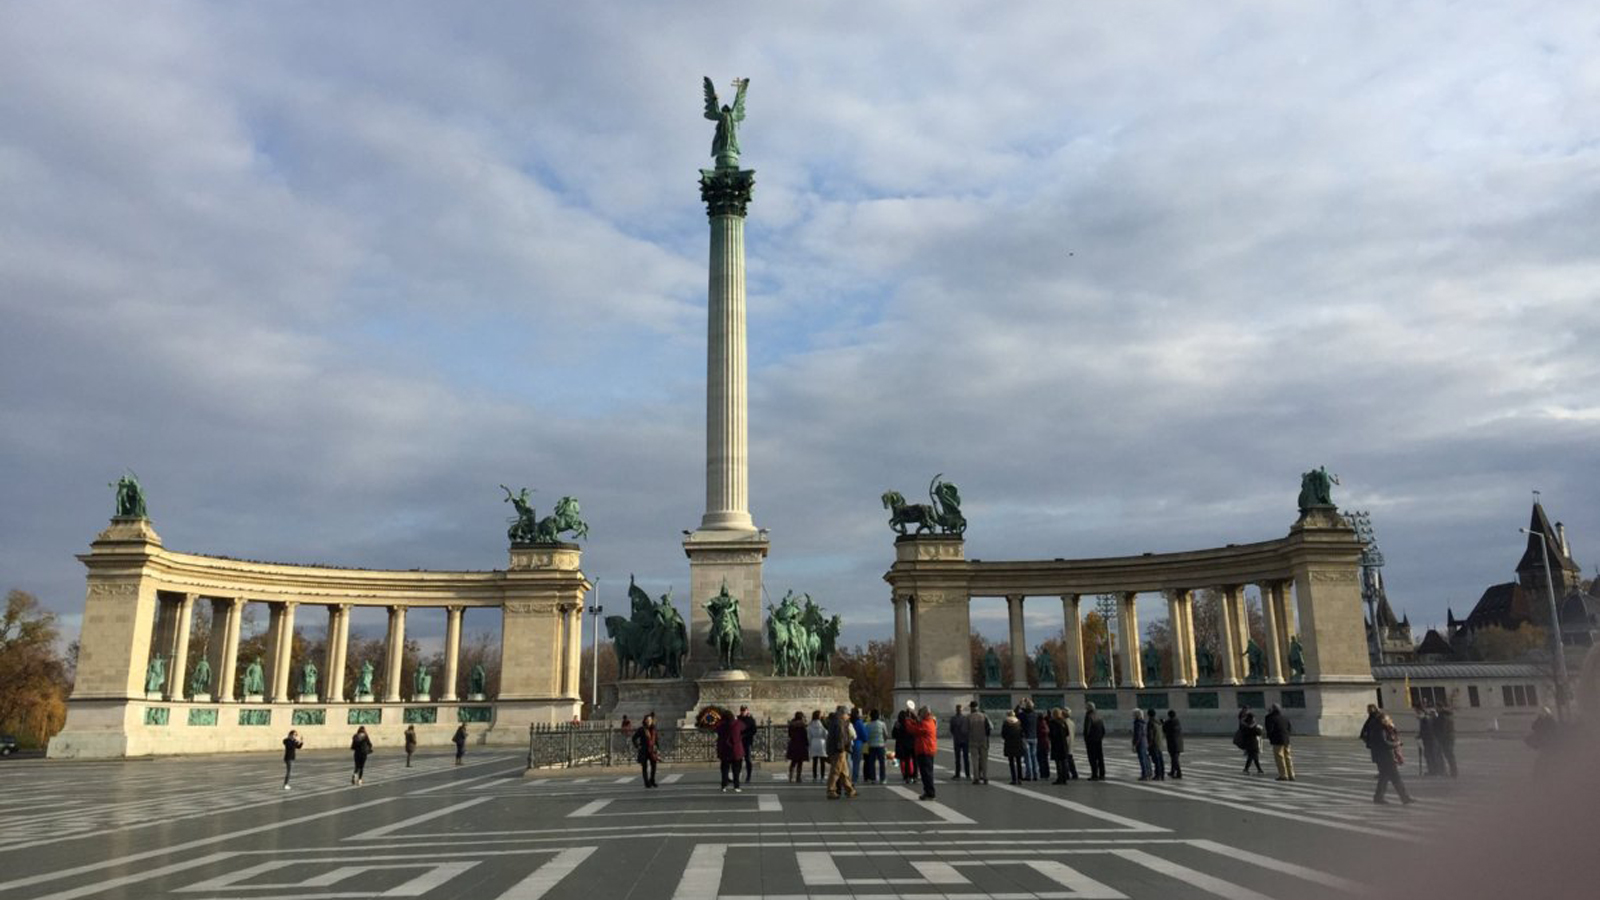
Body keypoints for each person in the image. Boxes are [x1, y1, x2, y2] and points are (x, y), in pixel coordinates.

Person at [1364, 709, 1414, 804]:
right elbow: (1384, 743)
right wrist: (1396, 744)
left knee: (1384, 777)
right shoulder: (1380, 729)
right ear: (1383, 720)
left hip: (1382, 756)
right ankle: (1405, 798)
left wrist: (1392, 728)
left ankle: (1378, 797)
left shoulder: (1380, 728)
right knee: (1396, 778)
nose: (1390, 720)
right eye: (1388, 719)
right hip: (1386, 757)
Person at [825, 705, 858, 799]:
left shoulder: (835, 721)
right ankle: (831, 790)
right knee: (836, 770)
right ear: (843, 714)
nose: (849, 716)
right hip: (839, 750)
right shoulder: (840, 723)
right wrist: (842, 749)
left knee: (844, 771)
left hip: (836, 749)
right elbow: (841, 737)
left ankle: (850, 790)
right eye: (847, 714)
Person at [911, 706, 938, 800]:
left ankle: (930, 792)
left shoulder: (926, 724)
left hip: (925, 749)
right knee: (927, 772)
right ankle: (928, 791)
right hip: (927, 749)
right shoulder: (929, 722)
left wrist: (908, 721)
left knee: (926, 773)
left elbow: (914, 729)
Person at [716, 708, 745, 792]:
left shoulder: (721, 725)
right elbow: (744, 727)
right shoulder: (737, 723)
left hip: (724, 750)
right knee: (736, 770)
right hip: (736, 750)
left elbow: (716, 730)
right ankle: (736, 786)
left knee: (725, 769)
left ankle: (724, 786)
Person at [1264, 703, 1295, 781]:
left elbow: (1269, 729)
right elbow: (1289, 728)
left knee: (1279, 757)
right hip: (1286, 739)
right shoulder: (1285, 717)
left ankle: (1283, 775)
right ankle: (1291, 774)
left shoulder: (1270, 717)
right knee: (1288, 757)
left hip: (1277, 740)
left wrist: (1269, 737)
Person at [965, 702, 991, 784]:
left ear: (971, 708)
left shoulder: (968, 717)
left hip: (973, 740)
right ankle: (985, 777)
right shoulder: (984, 716)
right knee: (984, 760)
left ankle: (976, 778)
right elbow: (990, 726)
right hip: (983, 740)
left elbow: (965, 729)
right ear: (977, 707)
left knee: (975, 760)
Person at [632, 712, 659, 787]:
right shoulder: (641, 729)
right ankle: (646, 782)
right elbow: (634, 738)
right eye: (647, 720)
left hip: (652, 750)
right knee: (645, 767)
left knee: (654, 766)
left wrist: (658, 748)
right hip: (644, 750)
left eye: (650, 719)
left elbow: (656, 739)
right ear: (645, 721)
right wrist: (637, 746)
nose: (649, 721)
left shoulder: (654, 729)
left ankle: (652, 780)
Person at [1083, 702, 1106, 780]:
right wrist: (1100, 737)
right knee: (1100, 757)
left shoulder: (1088, 716)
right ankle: (1102, 774)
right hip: (1098, 739)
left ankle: (1094, 774)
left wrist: (1086, 739)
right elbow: (1103, 729)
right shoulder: (1098, 715)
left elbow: (1087, 729)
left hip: (1091, 740)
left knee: (1092, 758)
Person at [892, 709, 917, 784]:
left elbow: (894, 734)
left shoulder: (898, 724)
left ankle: (907, 775)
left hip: (903, 743)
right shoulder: (912, 722)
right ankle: (914, 775)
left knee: (906, 760)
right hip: (913, 743)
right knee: (914, 761)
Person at [1001, 708, 1025, 784]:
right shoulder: (1018, 722)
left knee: (1011, 762)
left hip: (1009, 744)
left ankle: (1014, 778)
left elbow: (1003, 734)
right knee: (1018, 762)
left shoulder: (1006, 723)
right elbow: (1022, 733)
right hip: (1018, 743)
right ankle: (1019, 778)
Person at [864, 709, 888, 784]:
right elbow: (886, 735)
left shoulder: (868, 725)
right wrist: (883, 741)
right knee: (882, 763)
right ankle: (882, 778)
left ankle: (873, 778)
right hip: (880, 745)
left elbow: (866, 736)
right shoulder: (882, 724)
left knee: (872, 763)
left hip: (871, 745)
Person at [1018, 700, 1039, 781]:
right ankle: (1036, 774)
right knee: (1034, 757)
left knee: (1028, 757)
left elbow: (1015, 713)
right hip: (1034, 737)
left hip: (1026, 738)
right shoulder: (1035, 715)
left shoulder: (1023, 715)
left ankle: (1029, 775)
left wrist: (1020, 705)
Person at [1048, 708, 1070, 784]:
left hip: (1056, 744)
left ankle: (1060, 778)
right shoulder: (1063, 722)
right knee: (1064, 761)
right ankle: (1065, 778)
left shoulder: (1053, 723)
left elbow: (1052, 734)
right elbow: (1067, 733)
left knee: (1058, 763)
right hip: (1064, 744)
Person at [786, 711, 809, 783]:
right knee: (800, 762)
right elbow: (805, 736)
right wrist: (807, 744)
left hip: (793, 744)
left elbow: (789, 734)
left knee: (793, 762)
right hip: (801, 745)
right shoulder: (802, 725)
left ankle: (790, 777)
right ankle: (798, 777)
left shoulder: (791, 725)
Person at [949, 704, 970, 782]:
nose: (959, 710)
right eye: (958, 709)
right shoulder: (965, 718)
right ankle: (966, 774)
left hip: (958, 739)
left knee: (960, 758)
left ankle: (959, 774)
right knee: (963, 758)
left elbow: (951, 729)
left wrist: (955, 734)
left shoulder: (953, 719)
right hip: (963, 740)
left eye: (959, 709)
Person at [1416, 705, 1439, 776]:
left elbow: (1426, 730)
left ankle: (1434, 771)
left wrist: (1420, 736)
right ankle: (1432, 770)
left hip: (1430, 740)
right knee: (1429, 755)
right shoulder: (1425, 719)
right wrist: (1419, 736)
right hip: (1429, 739)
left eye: (1418, 712)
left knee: (1431, 755)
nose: (1417, 715)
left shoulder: (1426, 719)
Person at [1435, 707, 1458, 777]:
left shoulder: (1442, 717)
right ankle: (1453, 771)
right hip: (1450, 738)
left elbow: (1443, 729)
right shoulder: (1448, 717)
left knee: (1449, 755)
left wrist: (1440, 739)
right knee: (1450, 755)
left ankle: (1453, 772)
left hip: (1446, 739)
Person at [737, 706, 758, 783]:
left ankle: (748, 776)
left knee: (748, 759)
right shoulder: (738, 718)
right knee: (738, 759)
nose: (743, 712)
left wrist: (745, 735)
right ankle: (737, 775)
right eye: (741, 710)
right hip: (739, 741)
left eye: (744, 710)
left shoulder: (750, 720)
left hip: (747, 741)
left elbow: (754, 730)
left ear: (747, 711)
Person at [1162, 710, 1184, 778]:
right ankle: (1173, 771)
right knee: (1174, 758)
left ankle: (1179, 772)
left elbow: (1164, 729)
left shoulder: (1169, 722)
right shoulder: (1177, 721)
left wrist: (1163, 722)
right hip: (1179, 742)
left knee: (1174, 758)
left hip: (1172, 743)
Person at [1059, 706, 1079, 780]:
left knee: (1065, 760)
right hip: (1071, 742)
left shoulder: (1063, 723)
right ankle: (1074, 773)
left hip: (1065, 743)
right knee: (1070, 759)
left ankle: (1067, 774)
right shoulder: (1071, 722)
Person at [807, 709, 827, 781]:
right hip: (821, 742)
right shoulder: (822, 724)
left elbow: (809, 736)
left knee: (815, 761)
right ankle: (822, 775)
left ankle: (814, 775)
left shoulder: (810, 725)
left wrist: (810, 743)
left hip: (814, 742)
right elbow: (826, 734)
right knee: (822, 761)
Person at [1146, 708, 1166, 781]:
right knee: (1160, 759)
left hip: (1154, 744)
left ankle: (1158, 775)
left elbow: (1150, 735)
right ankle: (1162, 774)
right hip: (1159, 743)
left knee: (1156, 760)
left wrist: (1149, 744)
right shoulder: (1158, 723)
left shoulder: (1150, 723)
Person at [1132, 710, 1152, 780]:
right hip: (1144, 742)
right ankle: (1149, 773)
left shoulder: (1138, 724)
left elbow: (1138, 735)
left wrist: (1135, 744)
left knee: (1142, 759)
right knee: (1146, 758)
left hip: (1140, 743)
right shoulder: (1143, 723)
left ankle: (1145, 774)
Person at [848, 707, 866, 784]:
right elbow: (863, 733)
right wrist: (865, 740)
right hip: (857, 743)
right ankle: (854, 778)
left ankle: (848, 777)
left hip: (848, 743)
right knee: (856, 763)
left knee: (848, 762)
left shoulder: (848, 722)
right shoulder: (859, 722)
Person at [1036, 710, 1052, 781]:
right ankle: (1047, 773)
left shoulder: (1038, 724)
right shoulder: (1045, 723)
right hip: (1046, 743)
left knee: (1040, 759)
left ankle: (1043, 773)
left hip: (1040, 744)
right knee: (1045, 759)